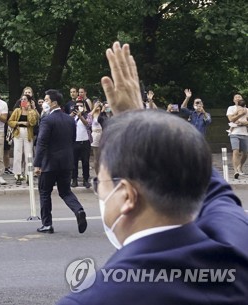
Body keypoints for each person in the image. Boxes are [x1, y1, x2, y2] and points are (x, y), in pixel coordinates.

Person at [57, 41, 248, 305]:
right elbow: (207, 183)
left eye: (97, 183)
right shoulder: (237, 244)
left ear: (126, 195)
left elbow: (206, 184)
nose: (98, 191)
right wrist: (141, 123)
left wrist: (137, 120)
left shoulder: (94, 298)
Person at [33, 89, 87, 234]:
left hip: (49, 163)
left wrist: (37, 164)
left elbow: (41, 142)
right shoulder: (69, 119)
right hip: (67, 162)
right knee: (65, 191)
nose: (44, 103)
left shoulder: (47, 120)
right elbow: (72, 139)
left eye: (46, 100)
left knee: (44, 192)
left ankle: (47, 224)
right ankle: (79, 210)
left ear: (53, 103)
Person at [8, 95, 38, 185]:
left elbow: (33, 122)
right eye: (22, 99)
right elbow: (10, 121)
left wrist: (29, 110)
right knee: (17, 153)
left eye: (25, 99)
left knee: (28, 154)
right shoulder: (17, 110)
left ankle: (28, 174)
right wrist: (19, 122)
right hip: (18, 133)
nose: (23, 101)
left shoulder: (32, 111)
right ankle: (17, 174)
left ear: (29, 101)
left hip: (28, 134)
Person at [70, 98, 92, 188]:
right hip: (75, 142)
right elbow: (66, 122)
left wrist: (80, 116)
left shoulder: (87, 115)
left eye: (81, 106)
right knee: (74, 162)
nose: (79, 107)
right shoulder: (72, 116)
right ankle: (74, 179)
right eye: (77, 106)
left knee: (85, 162)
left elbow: (88, 124)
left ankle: (85, 179)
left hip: (85, 141)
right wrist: (72, 115)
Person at [226, 94, 247, 178]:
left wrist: (243, 122)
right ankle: (235, 171)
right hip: (234, 133)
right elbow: (230, 119)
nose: (238, 98)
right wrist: (240, 114)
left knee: (245, 153)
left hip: (245, 132)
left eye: (239, 97)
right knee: (236, 151)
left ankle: (240, 167)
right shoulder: (231, 108)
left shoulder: (247, 109)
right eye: (236, 97)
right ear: (234, 100)